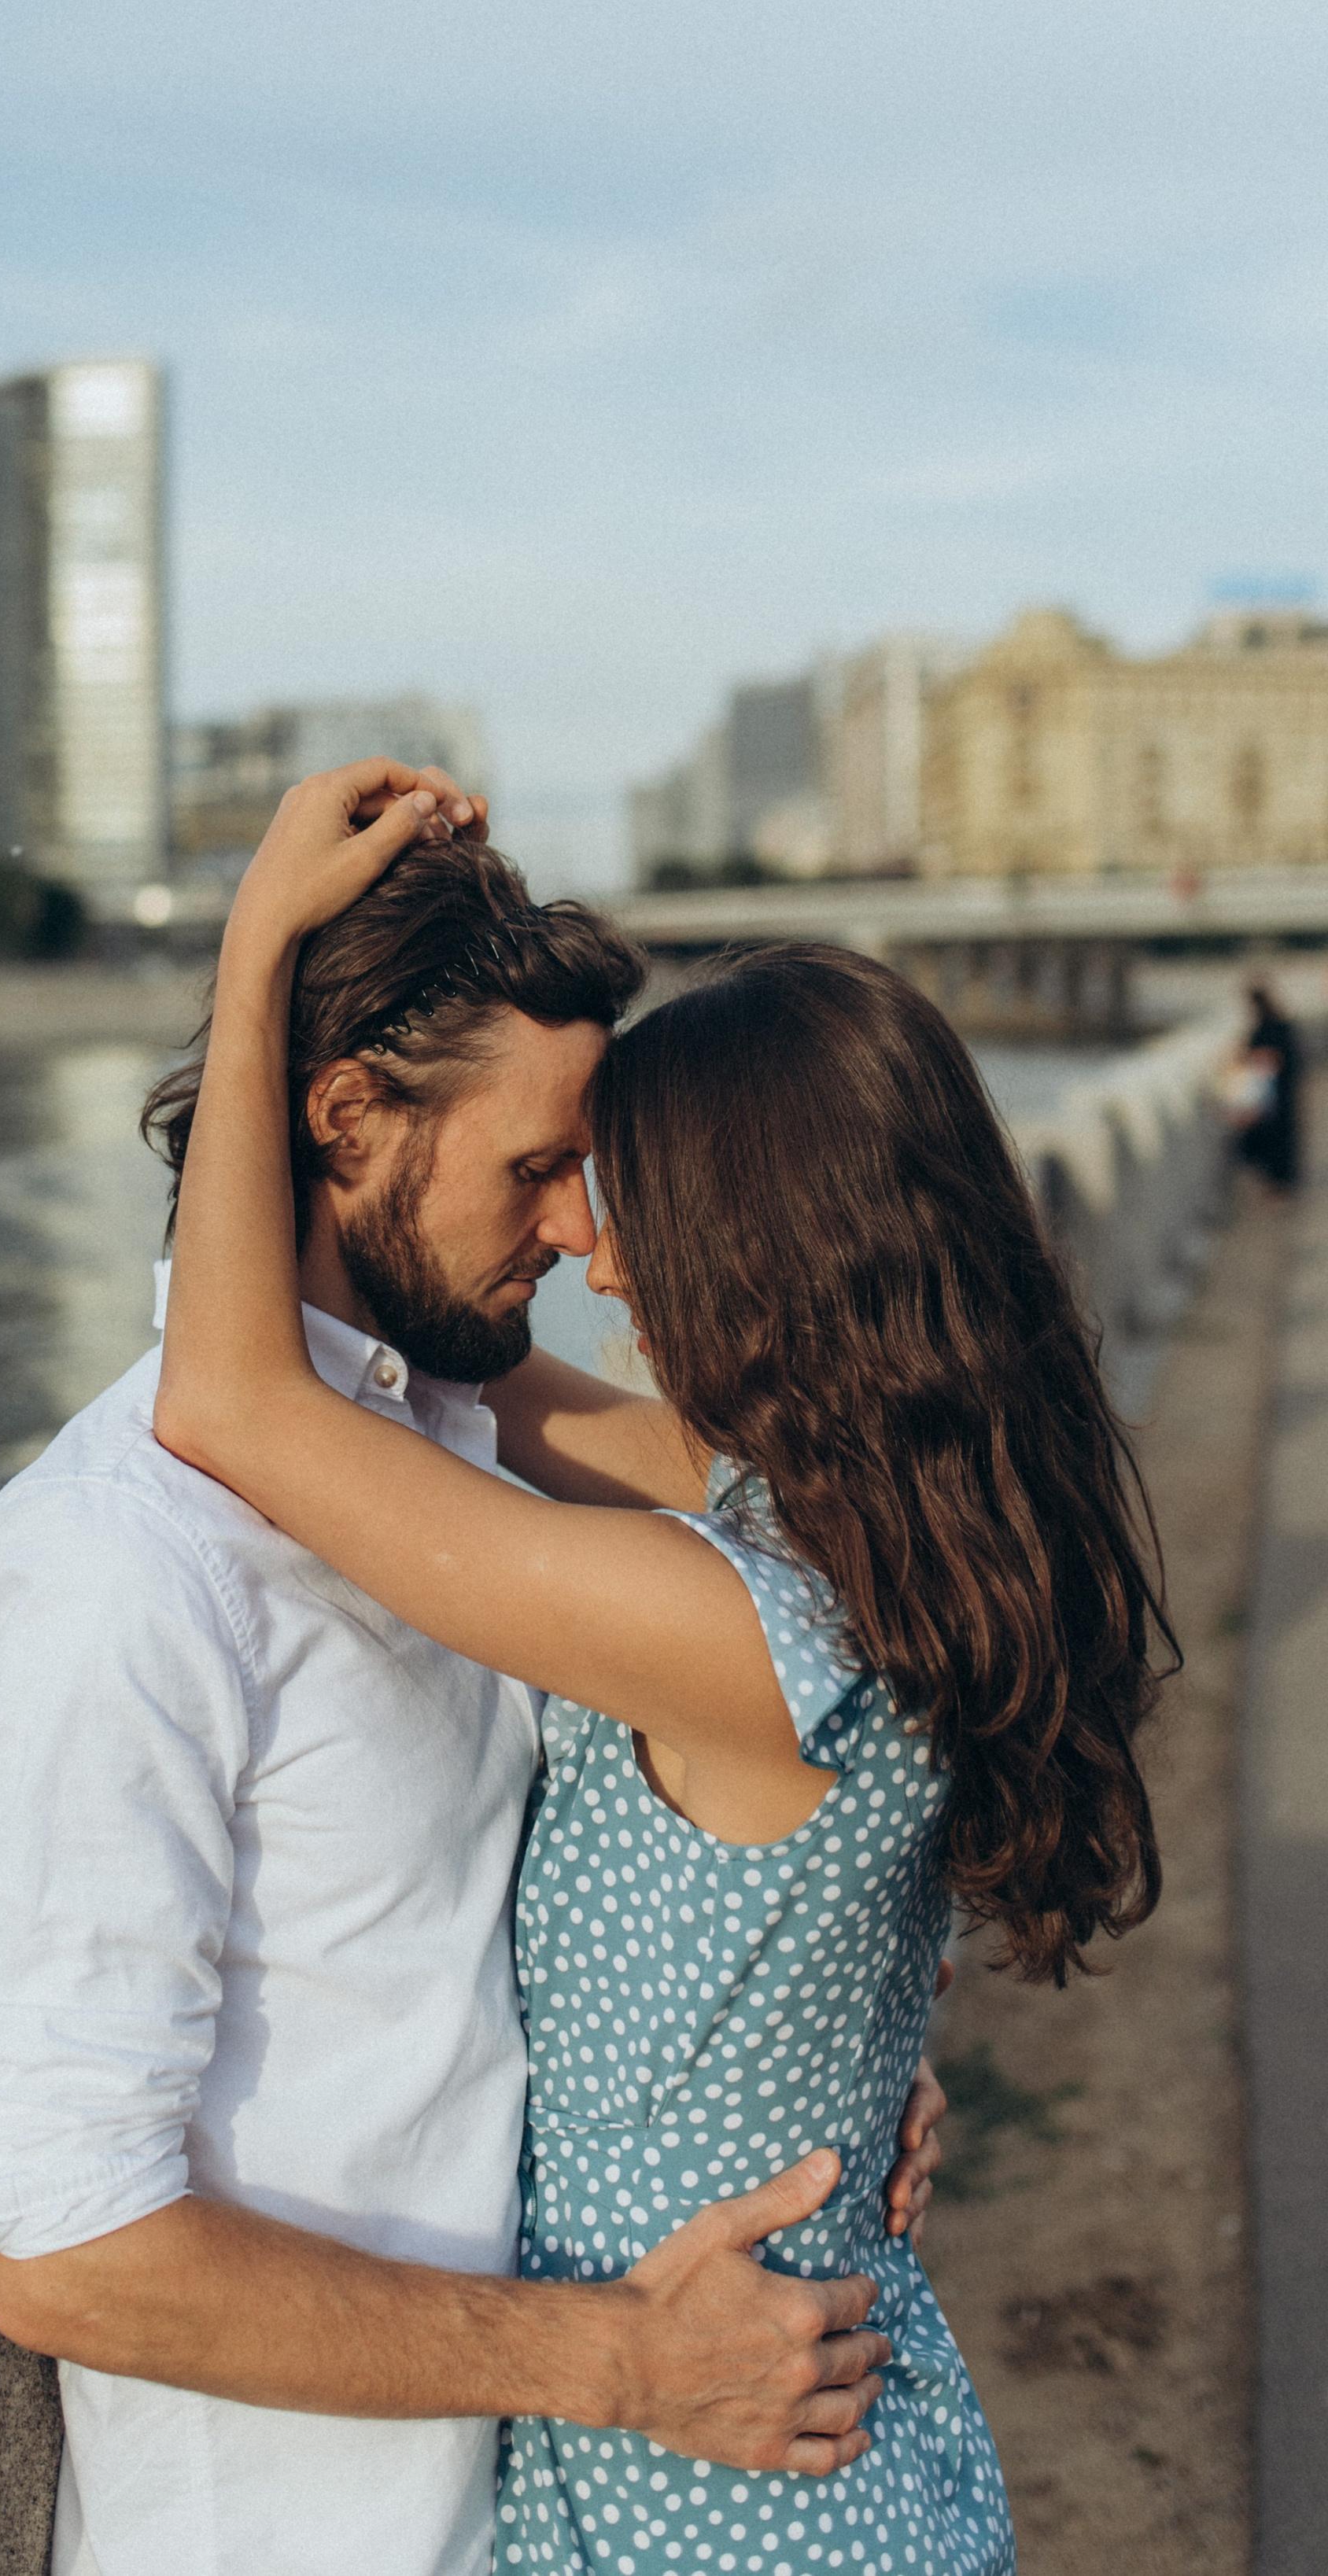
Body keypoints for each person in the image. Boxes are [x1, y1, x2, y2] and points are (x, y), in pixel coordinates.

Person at [154, 761, 1179, 2576]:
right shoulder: (877, 1523)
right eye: (556, 1178)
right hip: (810, 2449)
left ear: (761, 1250)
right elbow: (445, 1364)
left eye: (619, 1195)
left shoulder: (735, 1622)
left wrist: (253, 970)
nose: (578, 1243)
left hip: (717, 2500)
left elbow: (234, 1400)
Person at [0, 789, 946, 2576]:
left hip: (561, 2504)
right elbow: (70, 2251)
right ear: (345, 1117)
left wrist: (817, 2048)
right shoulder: (107, 1570)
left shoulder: (459, 1444)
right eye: (537, 1164)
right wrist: (615, 2358)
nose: (574, 1228)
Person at [1235, 979, 1302, 1194]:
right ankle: (1279, 1182)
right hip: (1277, 1090)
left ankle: (1279, 1183)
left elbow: (1275, 1056)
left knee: (1275, 1136)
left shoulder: (1270, 1025)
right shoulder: (1277, 1022)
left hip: (1273, 1091)